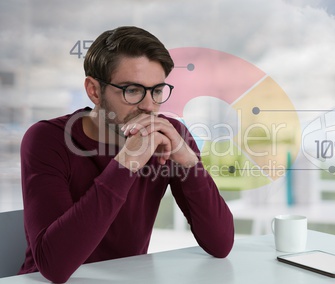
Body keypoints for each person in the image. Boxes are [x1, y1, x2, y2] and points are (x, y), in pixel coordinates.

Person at [18, 26, 234, 283]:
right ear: (94, 90)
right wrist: (126, 163)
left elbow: (220, 244)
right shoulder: (48, 139)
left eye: (156, 91)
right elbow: (55, 267)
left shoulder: (168, 135)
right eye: (132, 90)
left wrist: (189, 164)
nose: (148, 105)